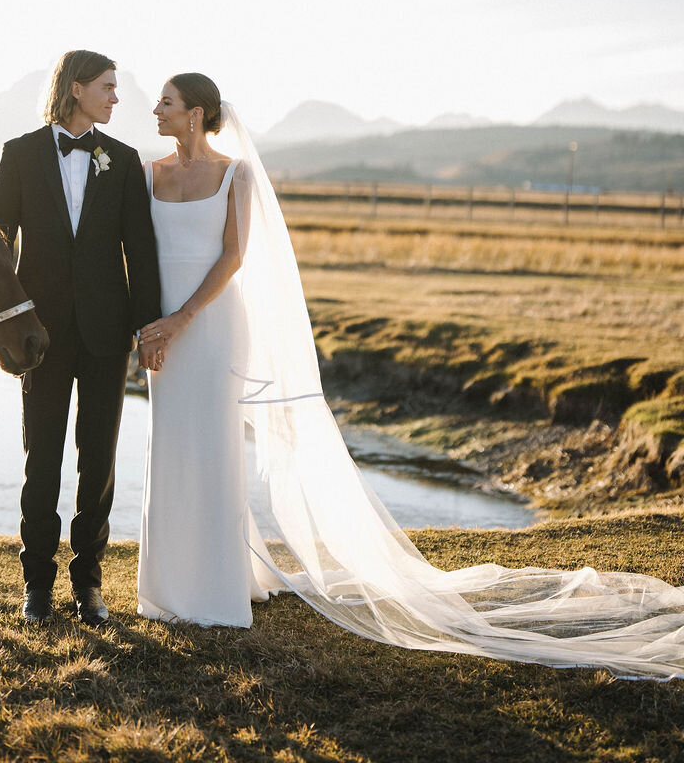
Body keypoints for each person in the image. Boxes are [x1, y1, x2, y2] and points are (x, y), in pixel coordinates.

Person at [136, 73, 684, 678]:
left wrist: (183, 319)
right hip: (160, 334)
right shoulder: (149, 174)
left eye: (166, 101)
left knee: (212, 447)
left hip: (210, 328)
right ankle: (169, 584)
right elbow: (136, 255)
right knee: (170, 446)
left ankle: (213, 590)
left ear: (196, 113)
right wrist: (150, 326)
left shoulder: (234, 175)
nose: (154, 108)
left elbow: (235, 258)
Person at [0, 50, 161, 626]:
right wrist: (0, 327)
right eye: (108, 87)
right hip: (38, 336)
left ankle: (88, 586)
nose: (116, 97)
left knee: (99, 461)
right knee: (42, 460)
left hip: (107, 335)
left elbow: (140, 252)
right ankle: (36, 586)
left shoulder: (125, 160)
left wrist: (147, 328)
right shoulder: (20, 155)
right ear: (77, 88)